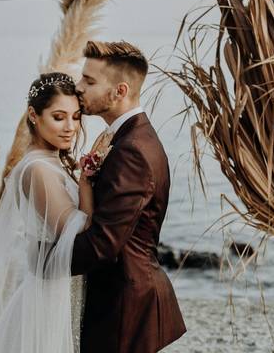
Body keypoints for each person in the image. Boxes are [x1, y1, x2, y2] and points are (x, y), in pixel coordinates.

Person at [0, 72, 93, 353]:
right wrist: (87, 183)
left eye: (76, 117)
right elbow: (77, 230)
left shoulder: (50, 163)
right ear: (34, 116)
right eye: (59, 117)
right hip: (50, 299)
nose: (70, 127)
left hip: (56, 290)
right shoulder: (38, 169)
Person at [72, 40, 186, 352]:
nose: (78, 87)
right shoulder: (125, 137)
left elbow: (104, 243)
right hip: (125, 297)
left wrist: (40, 259)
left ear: (120, 91)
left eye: (89, 81)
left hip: (124, 306)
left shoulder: (132, 149)